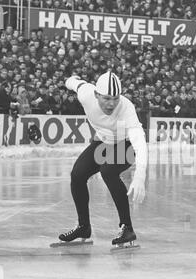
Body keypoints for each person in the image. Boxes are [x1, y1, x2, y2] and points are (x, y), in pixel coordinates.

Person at [58, 70, 147, 247]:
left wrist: (140, 175)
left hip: (125, 144)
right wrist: (70, 79)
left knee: (108, 172)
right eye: (106, 98)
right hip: (103, 141)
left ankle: (127, 228)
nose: (111, 104)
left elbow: (140, 141)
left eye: (115, 98)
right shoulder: (86, 94)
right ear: (96, 94)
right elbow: (75, 83)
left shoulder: (126, 107)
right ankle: (83, 226)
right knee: (77, 175)